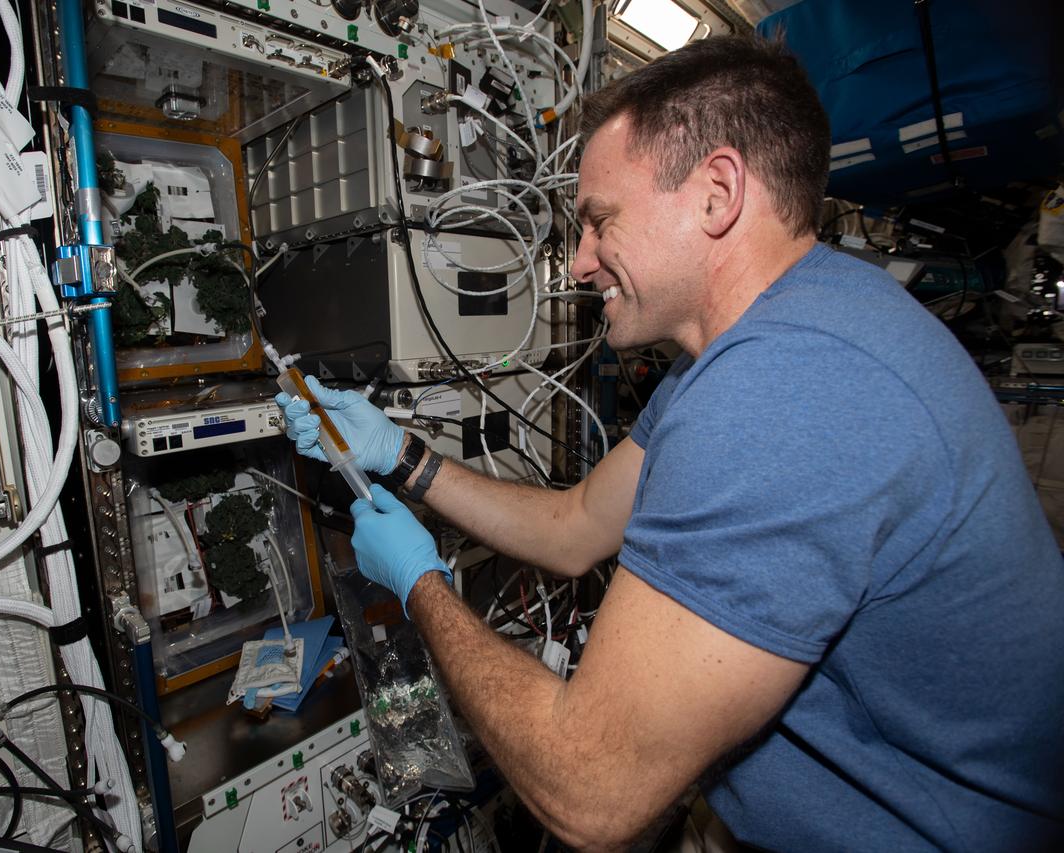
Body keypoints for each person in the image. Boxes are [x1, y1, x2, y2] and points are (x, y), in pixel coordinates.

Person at [276, 34, 1064, 852]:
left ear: (717, 193)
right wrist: (402, 455)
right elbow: (577, 525)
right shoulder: (766, 340)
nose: (579, 263)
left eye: (598, 221)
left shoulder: (786, 387)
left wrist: (420, 585)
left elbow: (588, 789)